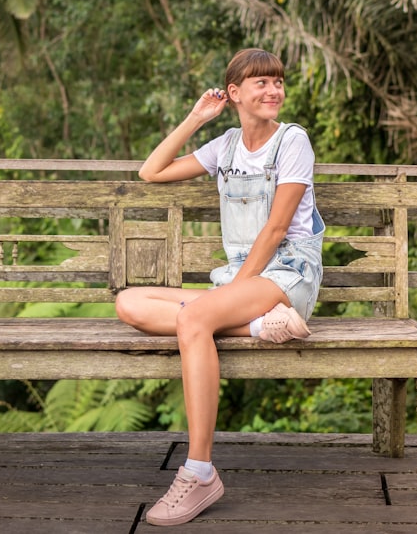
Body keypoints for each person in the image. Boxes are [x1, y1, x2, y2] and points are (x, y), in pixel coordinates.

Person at [115, 48, 325, 527]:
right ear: (234, 94)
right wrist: (195, 117)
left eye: (277, 81)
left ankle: (200, 471)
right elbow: (152, 172)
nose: (274, 91)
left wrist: (224, 298)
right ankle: (258, 327)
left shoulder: (293, 141)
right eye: (261, 83)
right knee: (129, 303)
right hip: (241, 283)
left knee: (194, 318)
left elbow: (276, 230)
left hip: (287, 273)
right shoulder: (225, 146)